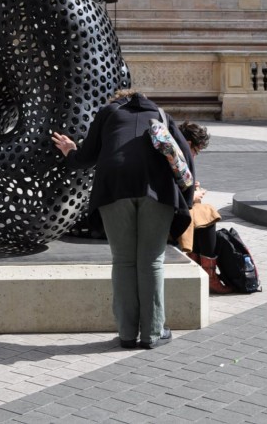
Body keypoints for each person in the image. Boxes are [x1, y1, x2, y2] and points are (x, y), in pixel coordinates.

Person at [52, 89, 194, 350]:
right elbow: (185, 161)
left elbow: (87, 156)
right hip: (157, 190)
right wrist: (185, 201)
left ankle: (127, 334)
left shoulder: (109, 113)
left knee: (124, 260)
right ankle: (152, 333)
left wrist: (70, 152)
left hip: (114, 187)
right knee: (151, 261)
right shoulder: (162, 115)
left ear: (118, 99)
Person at [178, 120, 232, 294]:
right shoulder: (173, 156)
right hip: (164, 213)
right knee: (207, 213)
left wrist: (191, 188)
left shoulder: (174, 153)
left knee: (202, 214)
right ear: (188, 144)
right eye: (195, 151)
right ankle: (209, 275)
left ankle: (201, 271)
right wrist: (192, 196)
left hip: (166, 209)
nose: (194, 156)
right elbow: (167, 192)